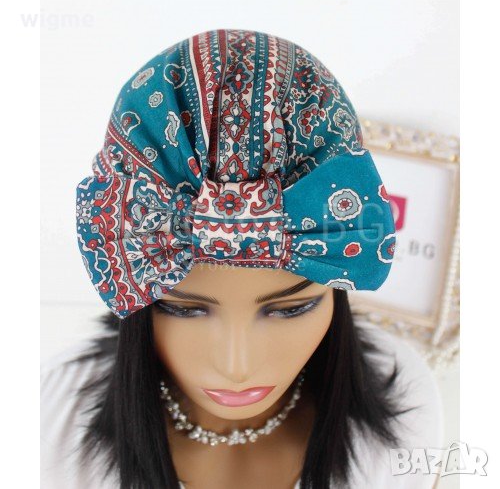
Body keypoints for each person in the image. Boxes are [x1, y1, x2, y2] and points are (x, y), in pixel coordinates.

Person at [41, 29, 443, 488]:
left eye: (291, 308)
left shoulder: (409, 417)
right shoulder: (46, 431)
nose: (237, 366)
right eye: (183, 308)